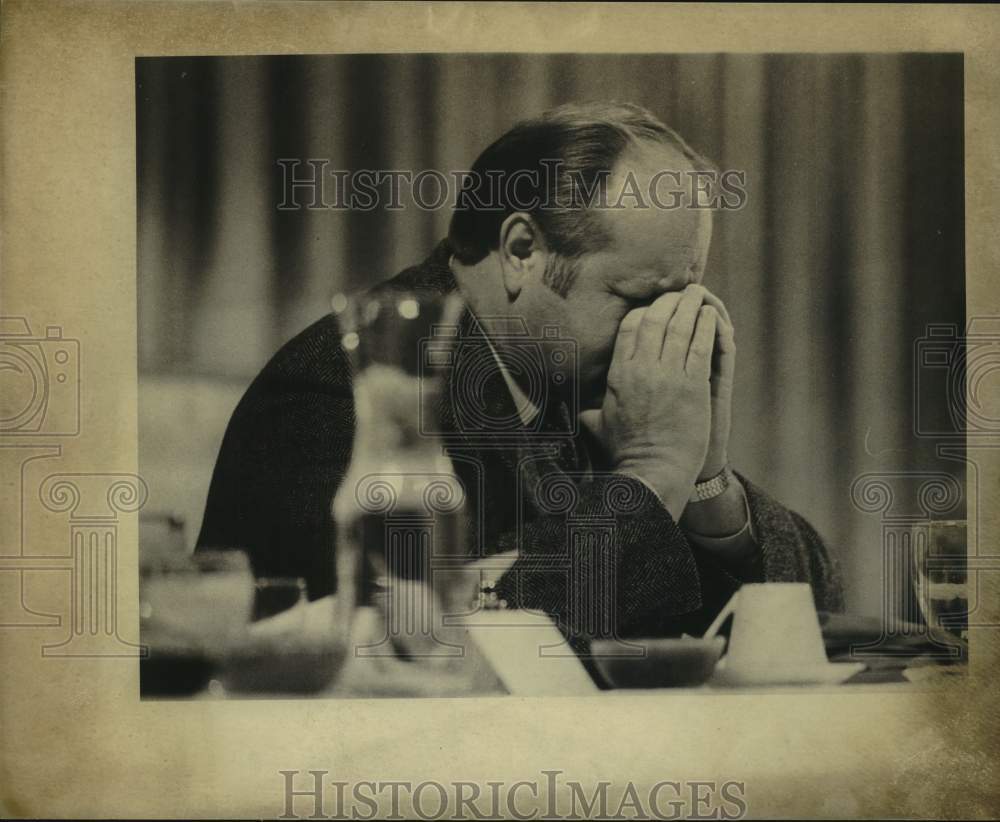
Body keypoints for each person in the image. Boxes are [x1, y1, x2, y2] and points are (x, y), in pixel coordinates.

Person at [197, 102, 843, 651]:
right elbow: (431, 657)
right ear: (521, 252)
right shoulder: (343, 393)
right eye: (641, 301)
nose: (662, 339)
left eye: (684, 303)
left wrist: (706, 483)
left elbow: (818, 615)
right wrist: (647, 473)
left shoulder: (565, 377)